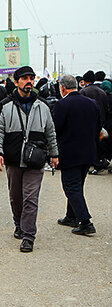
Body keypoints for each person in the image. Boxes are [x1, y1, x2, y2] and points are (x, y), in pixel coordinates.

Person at [0, 66, 59, 253]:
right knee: (16, 198)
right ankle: (19, 224)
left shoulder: (43, 106)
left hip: (35, 161)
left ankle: (28, 236)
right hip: (13, 161)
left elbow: (50, 132)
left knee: (31, 198)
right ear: (16, 81)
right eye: (25, 78)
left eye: (31, 78)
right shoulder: (5, 105)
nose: (29, 81)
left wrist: (54, 154)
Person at [52, 74, 101, 236]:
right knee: (77, 185)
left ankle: (85, 222)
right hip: (88, 151)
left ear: (62, 88)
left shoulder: (62, 105)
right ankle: (71, 216)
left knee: (71, 187)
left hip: (70, 153)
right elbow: (98, 127)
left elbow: (55, 130)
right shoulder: (92, 104)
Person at [80, 70, 109, 173]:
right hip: (101, 122)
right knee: (99, 143)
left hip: (87, 123)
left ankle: (96, 164)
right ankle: (101, 160)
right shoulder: (102, 92)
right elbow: (106, 108)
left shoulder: (83, 92)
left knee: (90, 143)